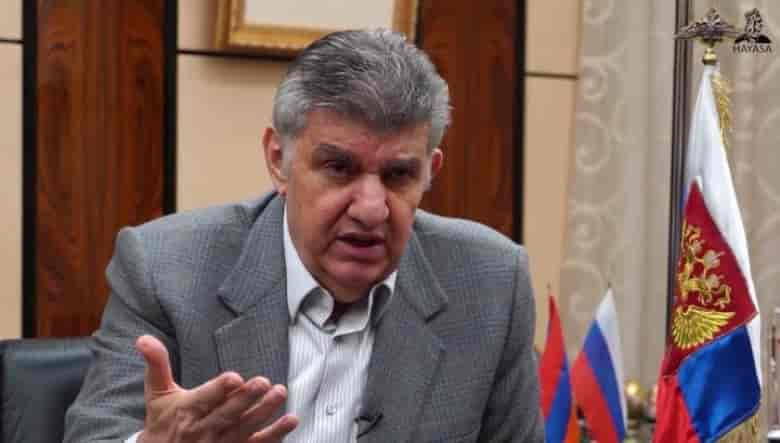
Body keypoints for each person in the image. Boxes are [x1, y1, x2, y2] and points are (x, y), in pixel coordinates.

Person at [64, 29, 544, 443]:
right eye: (339, 168)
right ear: (279, 159)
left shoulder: (491, 283)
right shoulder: (165, 268)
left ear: (430, 171)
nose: (371, 209)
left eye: (399, 175)